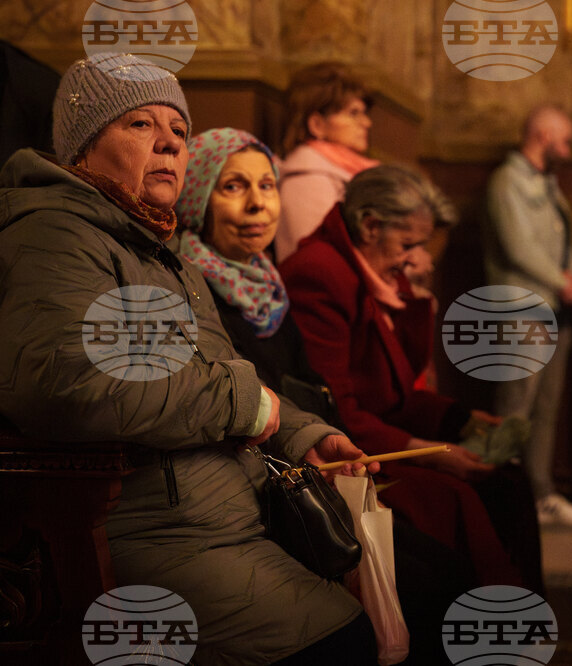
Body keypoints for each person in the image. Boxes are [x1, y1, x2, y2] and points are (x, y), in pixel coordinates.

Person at [0, 54, 381, 665]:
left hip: (223, 513)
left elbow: (226, 373)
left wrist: (303, 432)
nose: (170, 146)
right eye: (141, 126)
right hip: (138, 531)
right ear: (83, 146)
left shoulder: (156, 247)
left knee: (384, 599)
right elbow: (69, 383)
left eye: (179, 131)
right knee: (346, 641)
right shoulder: (54, 235)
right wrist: (251, 407)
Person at [175, 126, 474, 664]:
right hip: (264, 489)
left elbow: (316, 391)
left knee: (444, 566)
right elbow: (241, 405)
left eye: (267, 186)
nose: (258, 205)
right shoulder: (191, 287)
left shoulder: (265, 284)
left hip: (314, 466)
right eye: (233, 187)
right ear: (198, 196)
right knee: (430, 583)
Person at [281, 164, 544, 591]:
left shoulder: (371, 270)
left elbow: (398, 384)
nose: (413, 258)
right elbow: (336, 411)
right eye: (408, 244)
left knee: (508, 480)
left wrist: (459, 420)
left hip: (379, 434)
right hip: (349, 453)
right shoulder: (321, 274)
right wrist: (430, 452)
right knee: (464, 498)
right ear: (369, 226)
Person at [483, 104, 572, 525]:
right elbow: (517, 246)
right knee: (514, 410)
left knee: (546, 410)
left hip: (555, 313)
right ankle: (495, 500)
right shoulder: (507, 180)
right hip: (521, 312)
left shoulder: (548, 183)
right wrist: (562, 280)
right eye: (565, 139)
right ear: (543, 135)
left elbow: (566, 239)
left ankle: (539, 494)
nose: (568, 148)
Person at [275, 61, 378, 263]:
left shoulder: (346, 172)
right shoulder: (307, 180)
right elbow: (316, 262)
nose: (367, 123)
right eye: (353, 113)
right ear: (317, 124)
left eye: (364, 113)